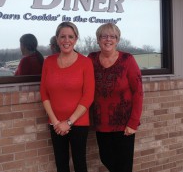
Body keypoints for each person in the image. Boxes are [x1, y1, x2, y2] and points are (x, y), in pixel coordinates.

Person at [88, 23, 143, 172]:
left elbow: (138, 92)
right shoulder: (91, 59)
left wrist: (133, 122)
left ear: (117, 40)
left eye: (112, 36)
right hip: (101, 122)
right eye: (104, 36)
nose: (108, 39)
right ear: (98, 40)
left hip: (124, 124)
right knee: (106, 158)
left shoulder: (127, 59)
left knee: (124, 164)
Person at [40, 22, 95, 172]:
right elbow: (44, 93)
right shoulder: (48, 62)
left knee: (79, 164)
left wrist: (69, 122)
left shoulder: (86, 63)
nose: (66, 40)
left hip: (78, 122)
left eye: (70, 36)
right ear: (57, 39)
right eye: (62, 36)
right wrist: (56, 122)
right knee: (61, 164)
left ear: (76, 39)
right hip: (56, 123)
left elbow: (88, 96)